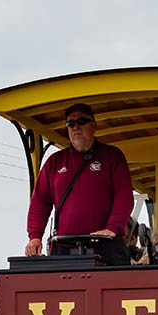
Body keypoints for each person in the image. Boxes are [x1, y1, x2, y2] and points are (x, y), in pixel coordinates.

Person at [24, 103, 134, 266]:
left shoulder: (112, 156)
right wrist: (35, 236)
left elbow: (123, 196)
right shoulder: (54, 162)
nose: (76, 127)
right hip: (64, 248)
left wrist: (112, 228)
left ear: (94, 126)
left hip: (106, 247)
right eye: (70, 124)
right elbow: (40, 202)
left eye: (81, 122)